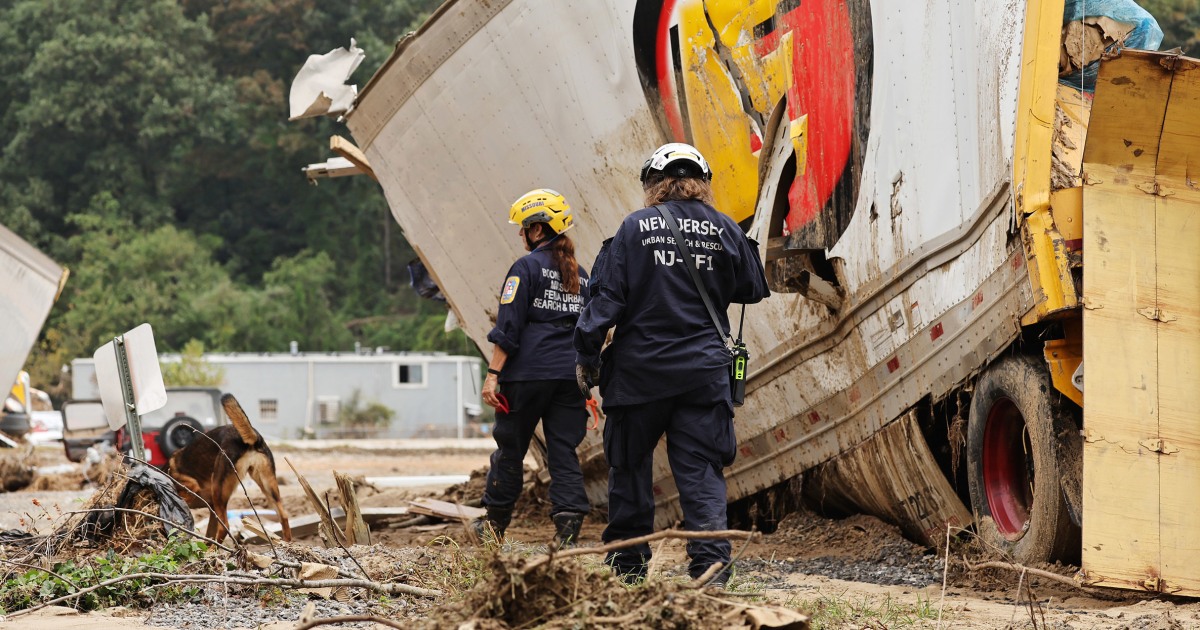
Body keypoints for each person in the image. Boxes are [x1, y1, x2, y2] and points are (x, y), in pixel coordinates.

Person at [574, 143, 770, 585]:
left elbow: (604, 303)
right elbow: (754, 288)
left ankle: (627, 569)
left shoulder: (633, 229)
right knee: (701, 474)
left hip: (639, 375)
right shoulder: (724, 228)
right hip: (703, 375)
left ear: (652, 186)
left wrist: (586, 358)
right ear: (702, 185)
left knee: (629, 469)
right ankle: (711, 570)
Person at [476, 188, 592, 547]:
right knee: (563, 450)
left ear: (538, 230)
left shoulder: (524, 269)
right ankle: (568, 531)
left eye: (523, 227)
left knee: (511, 449)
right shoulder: (583, 275)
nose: (520, 234)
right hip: (570, 377)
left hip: (527, 376)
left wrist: (493, 375)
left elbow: (508, 328)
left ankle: (493, 528)